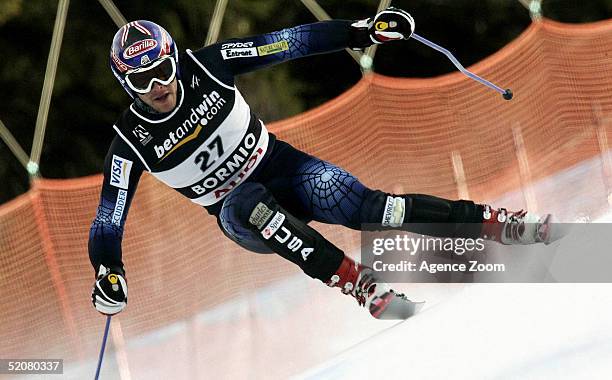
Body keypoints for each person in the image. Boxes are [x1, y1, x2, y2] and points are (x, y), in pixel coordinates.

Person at [90, 8, 554, 320]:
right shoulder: (130, 142)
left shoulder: (208, 65)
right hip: (238, 214)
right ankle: (361, 285)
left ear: (175, 59)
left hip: (281, 167)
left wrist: (363, 31)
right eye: (142, 79)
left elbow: (289, 41)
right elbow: (108, 220)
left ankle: (494, 223)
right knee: (250, 202)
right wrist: (109, 272)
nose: (158, 85)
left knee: (376, 210)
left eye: (163, 70)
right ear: (123, 83)